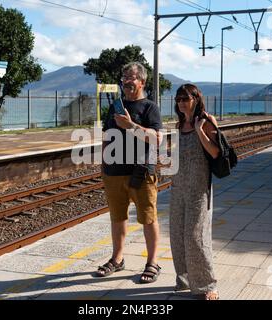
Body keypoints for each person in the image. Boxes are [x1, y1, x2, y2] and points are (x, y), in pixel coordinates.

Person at [95, 62, 164, 284]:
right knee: (117, 217)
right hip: (114, 172)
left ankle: (152, 262)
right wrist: (104, 165)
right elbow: (107, 135)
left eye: (131, 77)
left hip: (141, 173)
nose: (126, 81)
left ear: (142, 81)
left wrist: (130, 125)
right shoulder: (115, 106)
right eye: (124, 77)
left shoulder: (150, 108)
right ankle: (117, 259)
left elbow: (156, 138)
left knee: (148, 218)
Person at [169, 83, 220, 300]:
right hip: (178, 186)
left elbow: (216, 153)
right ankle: (186, 280)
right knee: (177, 236)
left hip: (199, 188)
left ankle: (209, 285)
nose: (181, 103)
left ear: (196, 99)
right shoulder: (179, 124)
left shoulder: (207, 122)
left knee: (195, 236)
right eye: (178, 99)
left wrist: (200, 131)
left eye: (185, 98)